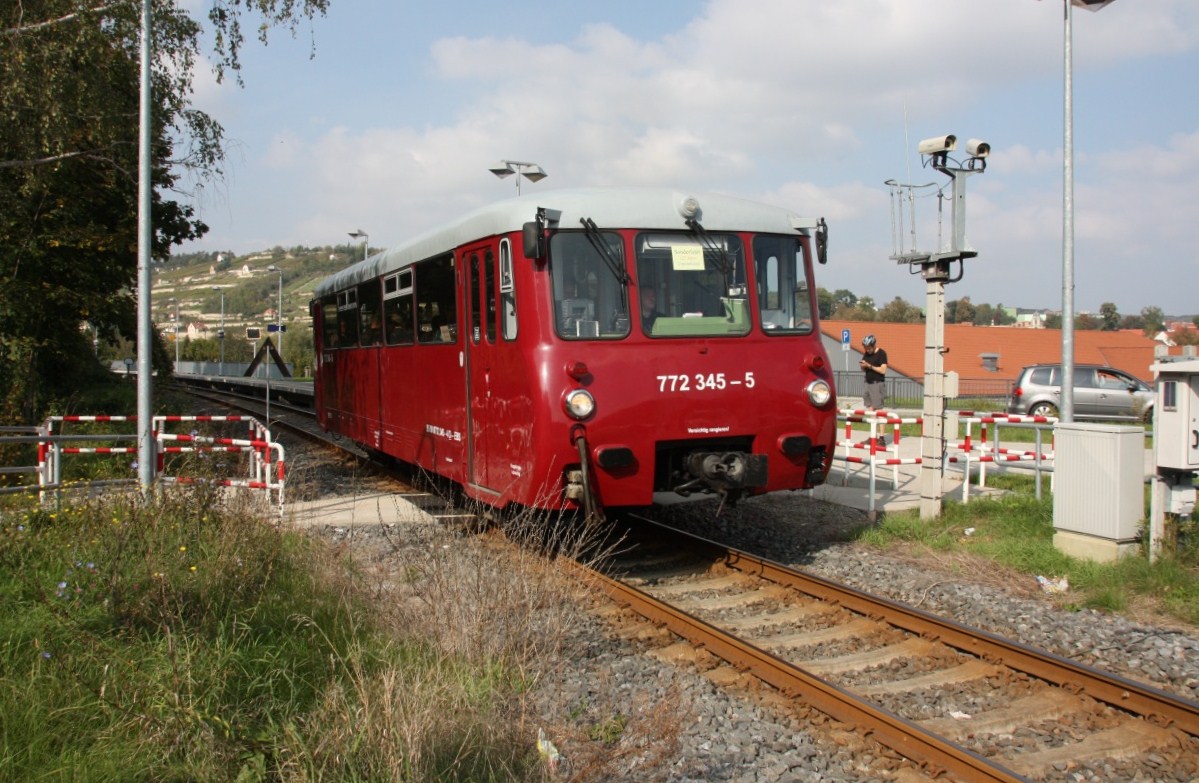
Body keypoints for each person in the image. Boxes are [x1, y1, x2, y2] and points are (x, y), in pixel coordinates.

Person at [859, 334, 888, 411]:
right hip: (867, 383)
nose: (867, 350)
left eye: (869, 348)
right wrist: (862, 366)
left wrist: (869, 366)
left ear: (874, 345)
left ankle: (881, 419)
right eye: (865, 348)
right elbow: (863, 369)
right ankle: (873, 419)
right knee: (869, 408)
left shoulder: (881, 353)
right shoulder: (866, 354)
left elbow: (883, 370)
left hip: (877, 384)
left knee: (877, 409)